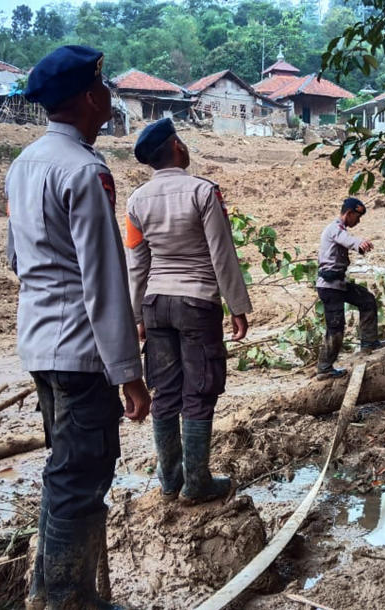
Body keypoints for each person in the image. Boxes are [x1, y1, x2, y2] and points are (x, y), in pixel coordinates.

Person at [5, 45, 150, 610]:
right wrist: (129, 375)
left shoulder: (23, 164)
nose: (110, 94)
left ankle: (52, 592)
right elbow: (104, 278)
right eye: (105, 85)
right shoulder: (87, 171)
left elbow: (16, 257)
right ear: (92, 98)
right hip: (81, 353)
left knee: (63, 471)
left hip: (39, 344)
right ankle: (67, 600)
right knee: (82, 476)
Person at [124, 118, 251, 505]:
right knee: (199, 391)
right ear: (177, 147)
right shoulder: (204, 192)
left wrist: (137, 319)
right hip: (197, 303)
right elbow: (221, 253)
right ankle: (196, 483)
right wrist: (237, 306)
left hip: (157, 304)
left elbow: (137, 264)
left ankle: (169, 480)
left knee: (165, 392)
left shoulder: (136, 201)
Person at [315, 197, 385, 379]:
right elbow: (346, 239)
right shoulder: (335, 229)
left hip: (338, 284)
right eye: (357, 216)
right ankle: (324, 368)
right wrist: (358, 243)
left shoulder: (339, 229)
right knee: (336, 328)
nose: (358, 221)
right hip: (330, 287)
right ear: (348, 214)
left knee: (367, 300)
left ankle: (369, 341)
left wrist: (359, 246)